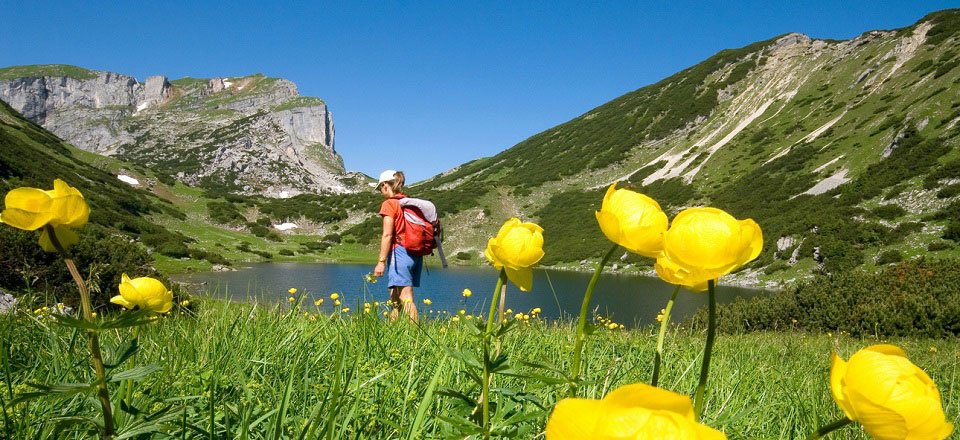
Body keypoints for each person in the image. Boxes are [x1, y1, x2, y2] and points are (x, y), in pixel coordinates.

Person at [373, 170, 421, 322]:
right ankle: (392, 330)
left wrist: (381, 262)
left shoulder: (389, 204)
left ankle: (416, 339)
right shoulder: (409, 203)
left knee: (406, 298)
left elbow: (387, 235)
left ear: (386, 185)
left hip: (400, 252)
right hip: (415, 253)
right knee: (395, 296)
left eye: (380, 187)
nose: (381, 191)